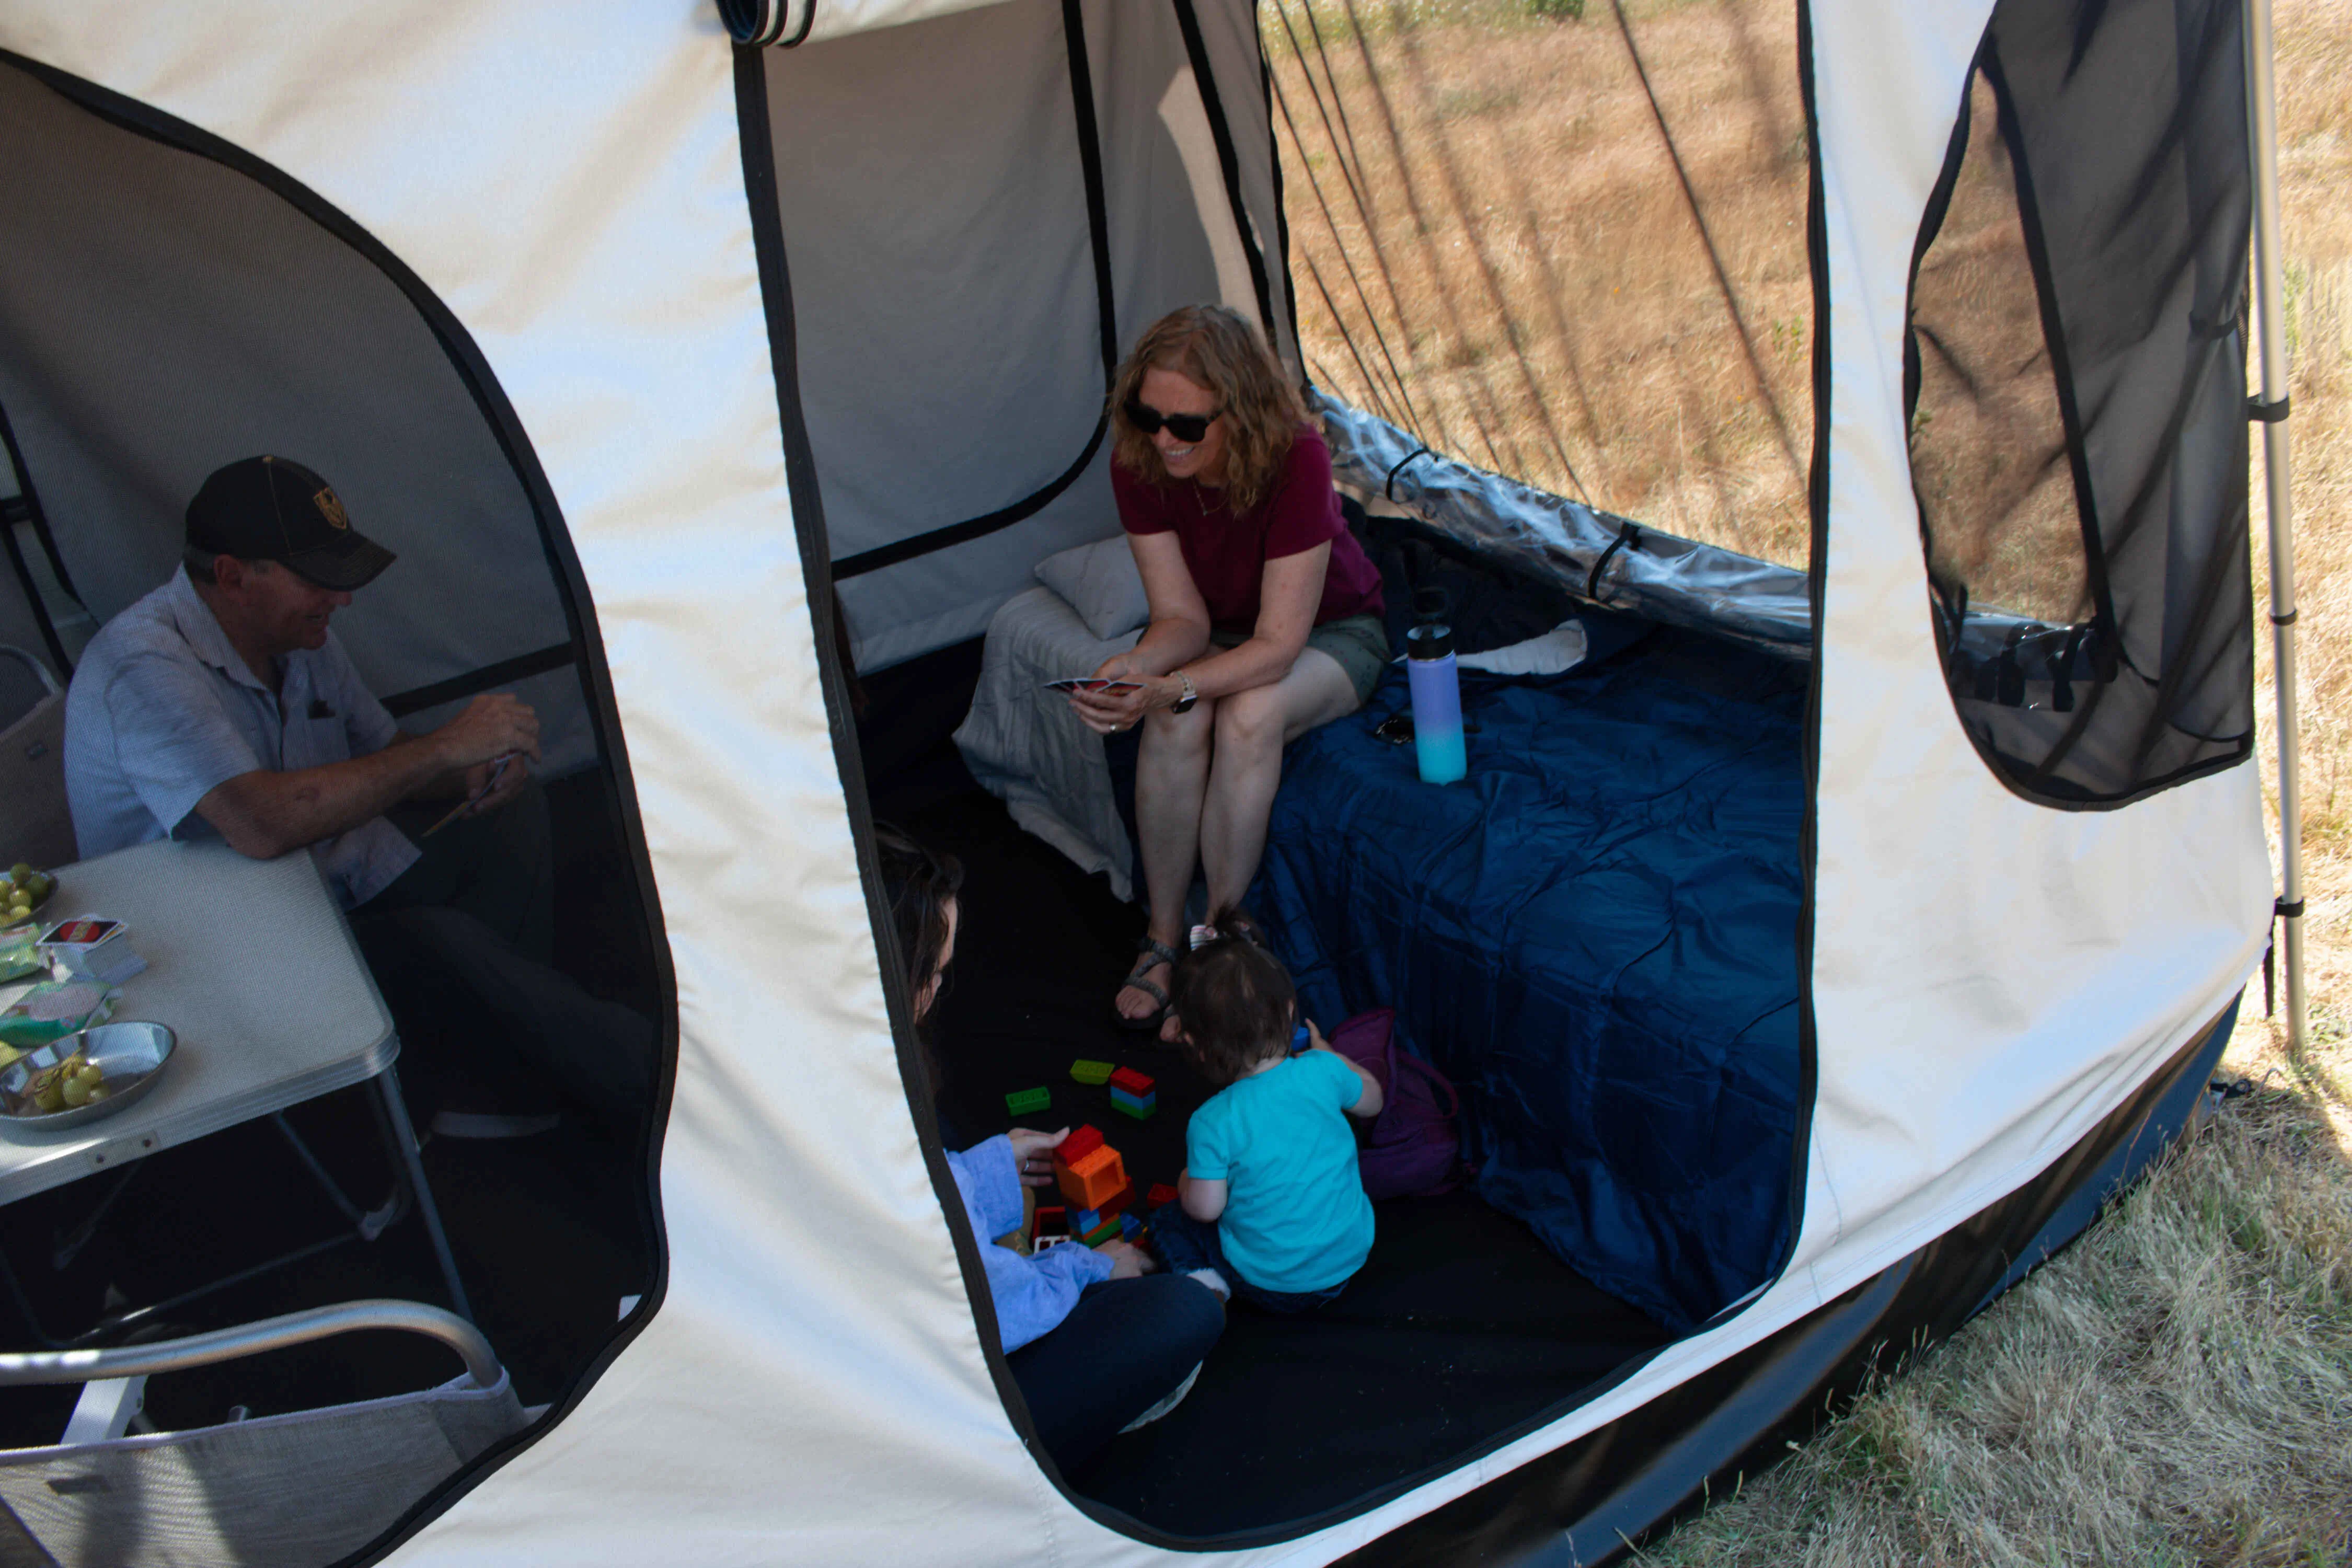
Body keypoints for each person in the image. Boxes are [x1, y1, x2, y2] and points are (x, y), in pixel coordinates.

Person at [62, 454, 652, 1128]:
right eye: (321, 579)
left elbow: (384, 753)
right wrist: (443, 748)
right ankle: (644, 1074)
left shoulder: (297, 635)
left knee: (511, 809)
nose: (342, 599)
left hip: (328, 881)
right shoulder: (144, 668)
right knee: (441, 942)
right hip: (224, 951)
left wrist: (474, 766)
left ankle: (498, 1054)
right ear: (232, 577)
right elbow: (260, 823)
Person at [1065, 305, 1387, 1030]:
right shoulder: (1141, 461)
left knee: (1249, 712)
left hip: (1331, 634)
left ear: (1239, 413)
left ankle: (1216, 950)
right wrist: (1137, 666)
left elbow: (1276, 646)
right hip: (1230, 634)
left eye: (1187, 426)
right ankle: (1161, 936)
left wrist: (1174, 683)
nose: (1163, 439)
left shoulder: (1295, 457)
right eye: (1148, 415)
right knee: (1177, 717)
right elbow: (1184, 618)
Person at [877, 826, 1226, 1469]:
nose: (936, 995)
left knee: (960, 1142)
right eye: (934, 975)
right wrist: (1092, 1266)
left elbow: (940, 1191)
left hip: (928, 1297)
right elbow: (991, 1301)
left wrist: (983, 1170)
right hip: (938, 1408)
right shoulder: (881, 1151)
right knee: (1184, 1314)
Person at [1149, 910, 1382, 1311]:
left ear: (1195, 1045)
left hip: (1272, 1286)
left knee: (1168, 1222)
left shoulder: (1212, 1121)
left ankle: (1210, 1288)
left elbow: (1205, 1210)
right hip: (1350, 1258)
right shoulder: (1324, 1071)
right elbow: (1374, 1100)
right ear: (1290, 1009)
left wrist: (1187, 1179)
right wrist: (1334, 1059)